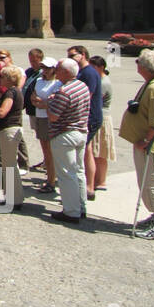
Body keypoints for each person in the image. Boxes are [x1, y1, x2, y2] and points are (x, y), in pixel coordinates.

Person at [120, 49, 154, 240]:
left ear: (145, 67)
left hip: (152, 146)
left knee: (153, 182)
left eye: (139, 62)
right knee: (148, 182)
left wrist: (145, 141)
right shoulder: (152, 84)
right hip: (147, 143)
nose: (137, 65)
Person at [45, 57, 90, 224]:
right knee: (79, 171)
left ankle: (71, 211)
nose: (55, 71)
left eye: (58, 69)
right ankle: (81, 206)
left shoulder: (64, 92)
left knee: (66, 174)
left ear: (66, 72)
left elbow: (53, 116)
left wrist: (49, 103)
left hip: (65, 134)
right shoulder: (82, 86)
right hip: (80, 132)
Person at [0, 65, 26, 211]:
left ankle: (13, 199)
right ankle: (15, 197)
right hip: (14, 129)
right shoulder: (17, 91)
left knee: (8, 165)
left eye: (2, 76)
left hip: (9, 130)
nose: (0, 79)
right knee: (10, 164)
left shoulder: (11, 92)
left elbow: (2, 112)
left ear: (9, 79)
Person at [68, 45, 104, 202]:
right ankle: (88, 186)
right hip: (84, 117)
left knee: (83, 152)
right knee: (86, 151)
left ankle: (88, 186)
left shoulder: (89, 72)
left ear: (82, 55)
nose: (70, 59)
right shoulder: (81, 71)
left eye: (73, 56)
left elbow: (85, 96)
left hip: (89, 117)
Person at [29, 57, 60, 193]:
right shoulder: (39, 81)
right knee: (46, 151)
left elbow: (52, 102)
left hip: (51, 119)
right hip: (40, 117)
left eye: (47, 68)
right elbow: (33, 98)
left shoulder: (57, 83)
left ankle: (52, 180)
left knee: (52, 151)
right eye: (43, 68)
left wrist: (42, 103)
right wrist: (41, 103)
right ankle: (50, 178)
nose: (45, 71)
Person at [89, 55, 115, 192]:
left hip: (102, 118)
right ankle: (96, 180)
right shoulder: (99, 80)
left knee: (100, 152)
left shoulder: (103, 83)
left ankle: (101, 180)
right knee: (95, 152)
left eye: (93, 67)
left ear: (101, 67)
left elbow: (93, 99)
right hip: (99, 117)